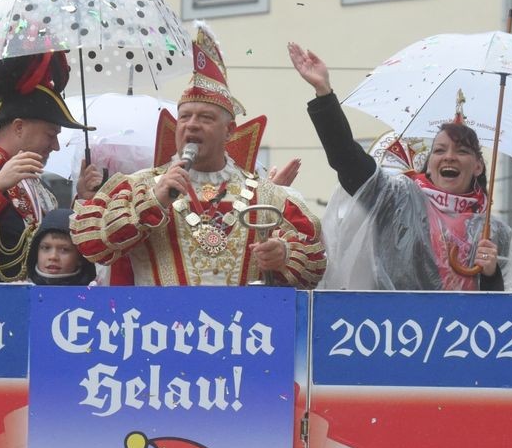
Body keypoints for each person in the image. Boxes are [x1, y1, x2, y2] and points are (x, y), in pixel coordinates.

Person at [288, 42, 512, 292]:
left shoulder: (495, 233)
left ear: (479, 167)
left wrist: (491, 273)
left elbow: (499, 316)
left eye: (461, 151)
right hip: (394, 332)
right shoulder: (399, 200)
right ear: (429, 164)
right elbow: (347, 159)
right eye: (439, 150)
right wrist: (324, 93)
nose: (449, 157)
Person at [72, 26, 326, 287]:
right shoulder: (138, 186)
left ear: (229, 131)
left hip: (244, 326)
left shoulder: (268, 196)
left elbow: (315, 266)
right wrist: (153, 201)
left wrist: (283, 255)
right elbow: (91, 245)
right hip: (160, 326)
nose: (191, 125)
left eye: (205, 118)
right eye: (185, 117)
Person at [0, 52, 102, 282]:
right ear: (18, 127)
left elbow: (51, 247)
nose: (55, 146)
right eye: (50, 134)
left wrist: (82, 199)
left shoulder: (39, 188)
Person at [25, 208, 97, 286]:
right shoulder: (22, 294)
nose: (53, 257)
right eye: (46, 248)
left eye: (64, 250)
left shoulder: (94, 295)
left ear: (80, 258)